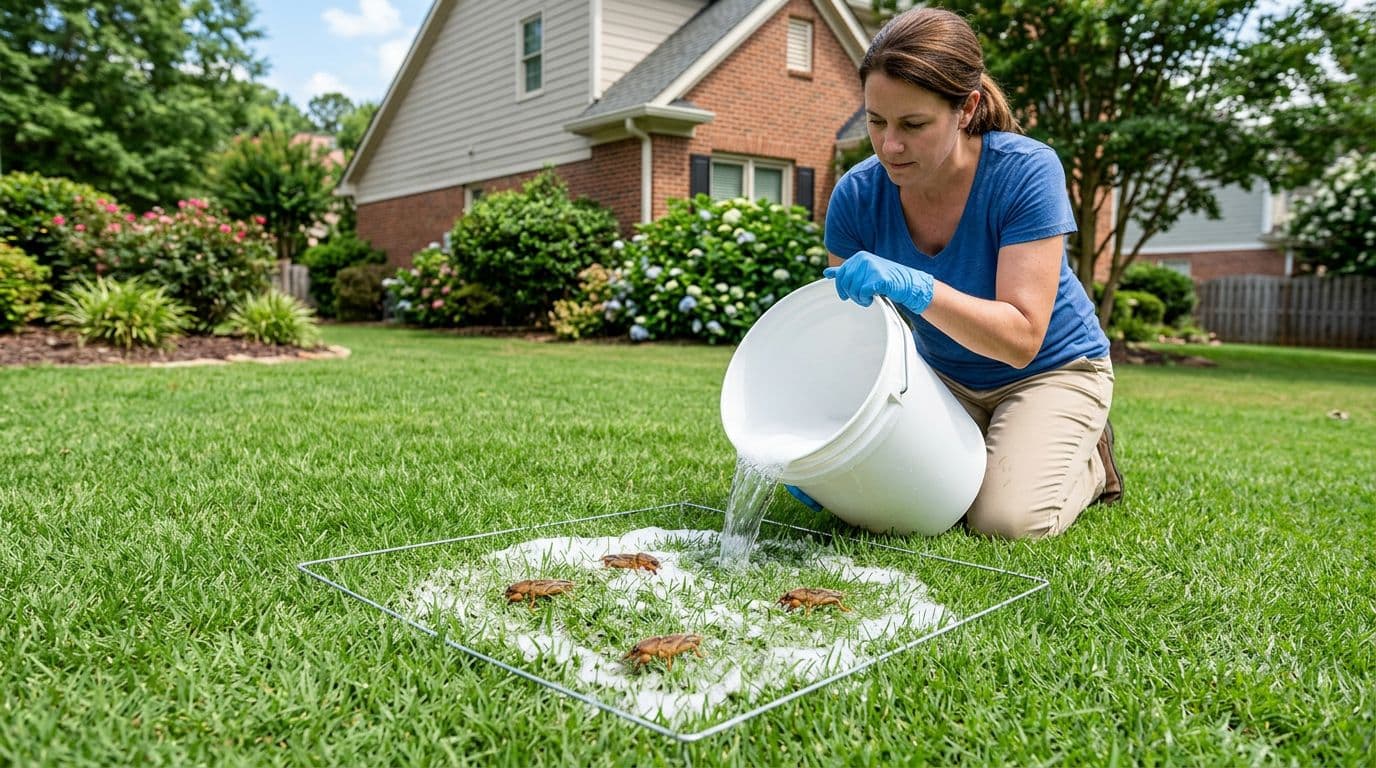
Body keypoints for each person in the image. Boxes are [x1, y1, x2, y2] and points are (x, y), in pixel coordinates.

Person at [787, 7, 1122, 539]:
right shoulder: (856, 194)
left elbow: (1021, 339)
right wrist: (829, 440)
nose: (888, 145)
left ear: (966, 109)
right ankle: (998, 449)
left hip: (1049, 369)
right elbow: (852, 340)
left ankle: (1089, 460)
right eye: (876, 121)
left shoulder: (1025, 172)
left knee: (1001, 522)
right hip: (942, 376)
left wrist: (916, 287)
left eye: (913, 125)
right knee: (905, 512)